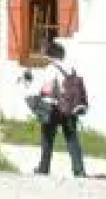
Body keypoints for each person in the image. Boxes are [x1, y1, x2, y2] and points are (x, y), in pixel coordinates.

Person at [30, 40, 87, 177]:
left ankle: (44, 168)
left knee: (47, 138)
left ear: (50, 54)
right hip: (70, 108)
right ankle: (79, 170)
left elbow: (49, 89)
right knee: (72, 139)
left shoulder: (52, 68)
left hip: (55, 107)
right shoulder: (71, 68)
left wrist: (39, 92)